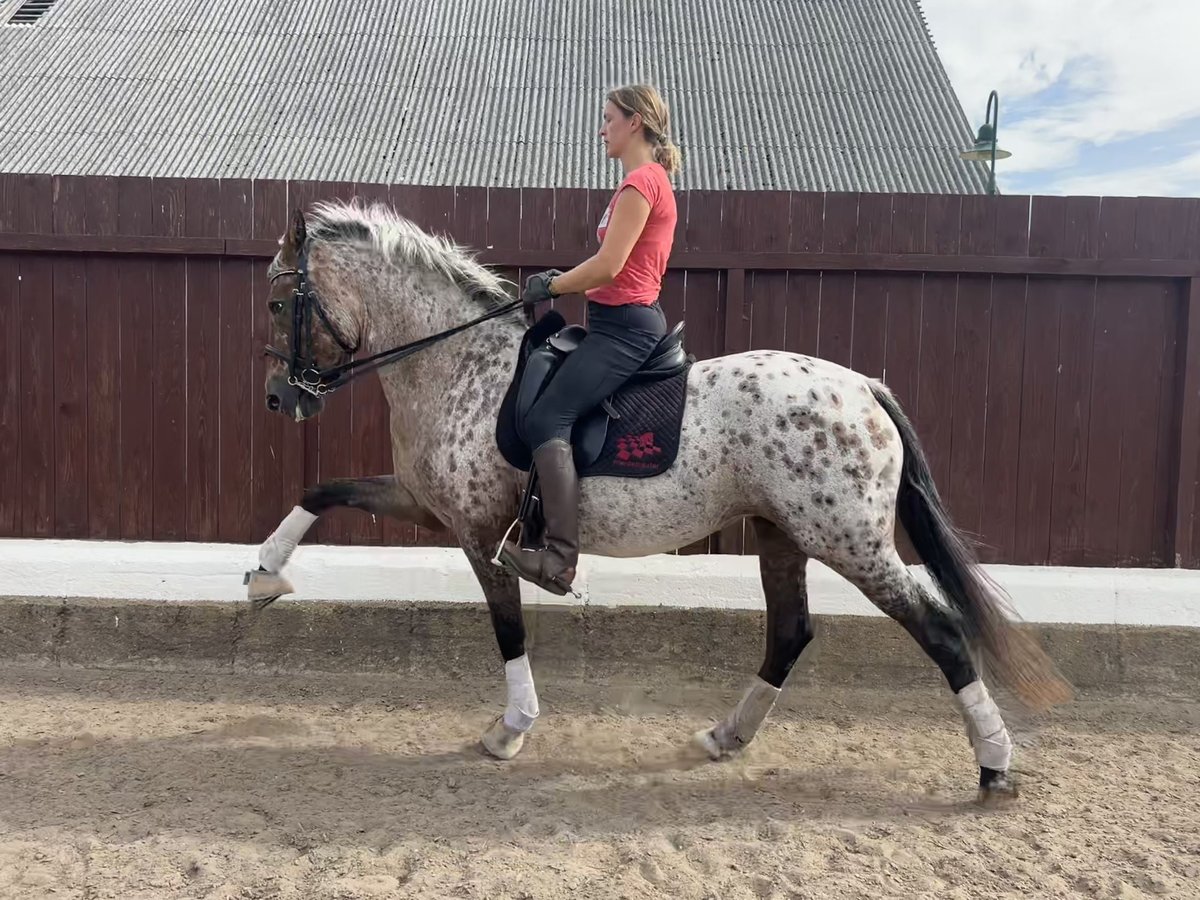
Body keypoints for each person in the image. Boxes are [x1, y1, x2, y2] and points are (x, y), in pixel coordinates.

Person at [498, 83, 682, 596]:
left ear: (634, 123)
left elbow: (609, 265)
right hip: (612, 321)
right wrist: (563, 278)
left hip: (625, 329)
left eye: (608, 118)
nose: (601, 128)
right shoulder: (645, 181)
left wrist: (551, 285)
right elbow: (606, 268)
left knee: (546, 416)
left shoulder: (642, 183)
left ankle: (558, 560)